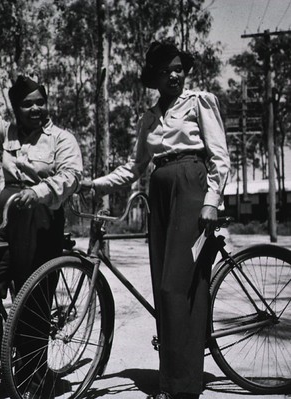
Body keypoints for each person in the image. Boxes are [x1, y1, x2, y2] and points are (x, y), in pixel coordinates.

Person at [81, 42, 230, 399]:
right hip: (159, 194)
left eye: (180, 68)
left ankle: (181, 389)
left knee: (174, 288)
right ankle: (172, 380)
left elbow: (220, 157)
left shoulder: (199, 102)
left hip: (190, 188)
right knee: (164, 289)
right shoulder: (148, 117)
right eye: (168, 70)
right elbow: (133, 169)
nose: (176, 75)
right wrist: (95, 184)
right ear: (156, 77)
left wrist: (212, 201)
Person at [0, 37, 83, 397]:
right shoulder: (8, 132)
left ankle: (33, 373)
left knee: (32, 291)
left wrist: (38, 191)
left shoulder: (61, 138)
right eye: (28, 104)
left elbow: (71, 176)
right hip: (5, 212)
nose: (37, 109)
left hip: (40, 216)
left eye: (41, 102)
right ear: (16, 108)